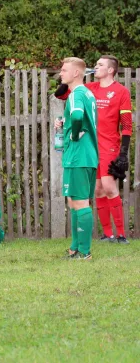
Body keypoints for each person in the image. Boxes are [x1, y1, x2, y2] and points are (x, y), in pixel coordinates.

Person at [56, 55, 132, 244]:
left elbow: (127, 125)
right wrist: (76, 75)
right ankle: (107, 234)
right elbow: (61, 94)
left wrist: (123, 152)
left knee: (109, 187)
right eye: (95, 64)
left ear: (111, 70)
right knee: (97, 191)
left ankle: (121, 234)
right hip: (90, 146)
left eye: (100, 65)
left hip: (110, 145)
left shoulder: (121, 91)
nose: (95, 67)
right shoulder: (89, 88)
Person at [55, 57, 99, 260]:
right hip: (86, 155)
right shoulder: (88, 93)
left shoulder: (76, 95)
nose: (61, 73)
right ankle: (75, 248)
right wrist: (65, 124)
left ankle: (85, 251)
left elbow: (79, 117)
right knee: (73, 201)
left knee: (80, 202)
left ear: (76, 73)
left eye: (64, 70)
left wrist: (73, 135)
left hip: (78, 156)